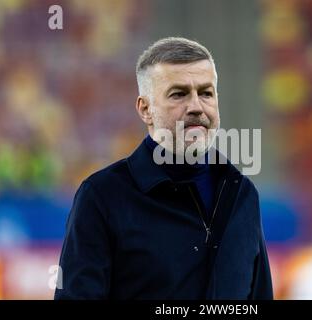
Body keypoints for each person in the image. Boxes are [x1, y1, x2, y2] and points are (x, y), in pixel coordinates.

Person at [54, 37, 273, 300]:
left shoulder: (243, 194)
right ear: (145, 109)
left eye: (206, 93)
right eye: (179, 94)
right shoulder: (102, 197)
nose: (196, 107)